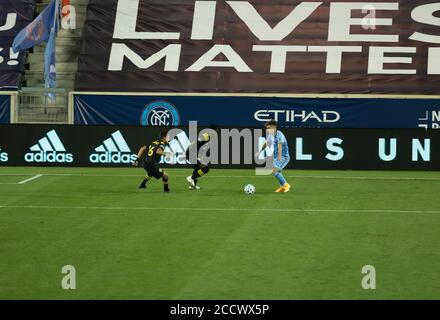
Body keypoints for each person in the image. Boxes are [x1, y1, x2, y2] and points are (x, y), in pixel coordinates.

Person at [256, 120, 291, 193]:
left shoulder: (280, 135)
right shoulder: (270, 135)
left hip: (283, 157)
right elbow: (266, 143)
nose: (267, 130)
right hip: (276, 157)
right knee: (277, 171)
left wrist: (279, 158)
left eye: (269, 128)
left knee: (273, 169)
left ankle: (286, 184)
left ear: (274, 127)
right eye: (267, 128)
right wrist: (259, 151)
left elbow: (280, 147)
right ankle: (282, 187)